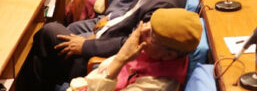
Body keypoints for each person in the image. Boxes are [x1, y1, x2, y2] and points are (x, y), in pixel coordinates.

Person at [18, 0, 187, 90]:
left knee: (47, 33)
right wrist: (107, 23)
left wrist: (86, 45)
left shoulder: (164, 5)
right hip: (107, 35)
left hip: (101, 58)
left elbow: (131, 43)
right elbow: (129, 15)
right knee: (47, 44)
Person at [68, 8, 203, 91]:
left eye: (152, 35)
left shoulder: (157, 86)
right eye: (148, 24)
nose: (142, 30)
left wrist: (121, 57)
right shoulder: (150, 52)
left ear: (168, 55)